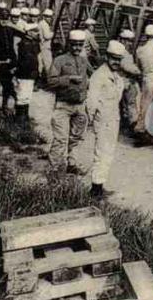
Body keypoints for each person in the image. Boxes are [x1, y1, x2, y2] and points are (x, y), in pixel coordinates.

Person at [86, 40, 128, 199]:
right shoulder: (99, 76)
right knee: (102, 152)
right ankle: (95, 189)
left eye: (119, 59)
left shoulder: (116, 76)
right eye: (113, 58)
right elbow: (92, 101)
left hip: (113, 118)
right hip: (103, 119)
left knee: (108, 153)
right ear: (106, 57)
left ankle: (99, 185)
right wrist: (90, 121)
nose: (116, 62)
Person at [47, 30, 91, 174]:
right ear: (69, 44)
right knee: (60, 139)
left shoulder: (84, 61)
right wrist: (68, 79)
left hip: (80, 106)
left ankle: (72, 164)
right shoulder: (59, 60)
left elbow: (92, 76)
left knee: (77, 138)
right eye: (74, 45)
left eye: (80, 45)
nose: (77, 48)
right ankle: (54, 169)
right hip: (63, 106)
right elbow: (51, 81)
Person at [0, 9, 23, 113]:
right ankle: (1, 104)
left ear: (8, 19)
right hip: (0, 62)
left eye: (6, 19)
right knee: (4, 83)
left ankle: (5, 105)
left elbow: (23, 33)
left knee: (9, 84)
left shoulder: (11, 30)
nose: (4, 21)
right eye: (2, 18)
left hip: (11, 60)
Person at [13, 23, 41, 128]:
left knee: (27, 96)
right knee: (22, 96)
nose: (37, 33)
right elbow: (27, 61)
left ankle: (24, 118)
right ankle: (20, 120)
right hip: (25, 74)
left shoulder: (30, 42)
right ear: (29, 32)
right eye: (34, 31)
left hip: (29, 74)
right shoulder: (25, 43)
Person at [117, 29, 142, 132]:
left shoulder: (120, 51)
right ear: (123, 40)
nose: (130, 43)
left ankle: (125, 124)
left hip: (120, 80)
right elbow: (128, 67)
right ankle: (133, 126)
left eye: (131, 41)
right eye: (128, 41)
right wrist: (139, 72)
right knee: (131, 104)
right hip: (125, 81)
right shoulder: (123, 53)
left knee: (123, 104)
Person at [38, 9, 55, 79]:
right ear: (44, 17)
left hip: (41, 46)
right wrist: (52, 33)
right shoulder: (44, 24)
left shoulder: (41, 23)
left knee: (40, 64)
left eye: (50, 17)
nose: (49, 18)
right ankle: (50, 81)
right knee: (48, 65)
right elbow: (47, 36)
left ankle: (39, 80)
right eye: (48, 17)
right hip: (45, 47)